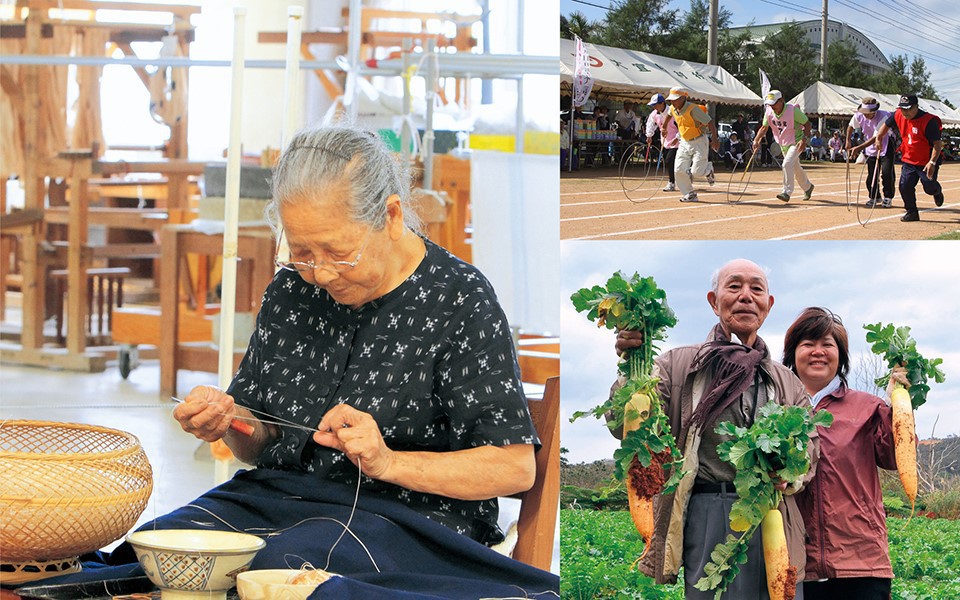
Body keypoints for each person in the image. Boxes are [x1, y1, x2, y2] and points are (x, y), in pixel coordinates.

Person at [32, 126, 559, 599]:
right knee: (160, 553)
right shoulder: (291, 290)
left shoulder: (459, 299)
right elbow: (256, 440)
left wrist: (388, 462)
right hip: (276, 500)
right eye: (303, 252)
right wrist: (229, 420)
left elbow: (513, 468)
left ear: (392, 216)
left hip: (409, 521)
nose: (321, 273)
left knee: (278, 575)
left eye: (337, 252)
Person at [612, 259, 815, 599]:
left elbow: (810, 443)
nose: (746, 296)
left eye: (756, 289)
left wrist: (791, 469)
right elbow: (627, 427)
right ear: (713, 300)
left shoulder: (787, 382)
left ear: (769, 305)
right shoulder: (676, 365)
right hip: (708, 510)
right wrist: (633, 367)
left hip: (771, 513)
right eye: (734, 287)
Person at [782, 307, 903, 600]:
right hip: (793, 564)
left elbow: (895, 458)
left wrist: (899, 403)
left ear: (841, 355)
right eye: (808, 344)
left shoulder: (868, 407)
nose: (818, 352)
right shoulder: (775, 408)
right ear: (792, 353)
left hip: (861, 564)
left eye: (827, 344)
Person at [873, 93, 945, 222]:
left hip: (926, 161)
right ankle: (912, 212)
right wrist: (879, 138)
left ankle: (937, 191)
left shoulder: (929, 121)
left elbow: (937, 144)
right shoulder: (898, 114)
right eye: (903, 108)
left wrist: (932, 162)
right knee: (904, 186)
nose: (905, 112)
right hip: (909, 159)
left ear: (916, 107)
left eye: (908, 109)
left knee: (929, 187)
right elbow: (886, 125)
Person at [753, 90, 814, 202]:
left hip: (796, 142)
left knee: (786, 164)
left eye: (774, 103)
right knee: (795, 168)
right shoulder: (769, 112)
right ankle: (808, 187)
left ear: (781, 101)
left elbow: (807, 124)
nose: (772, 106)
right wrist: (756, 140)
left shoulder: (793, 111)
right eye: (770, 104)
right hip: (783, 143)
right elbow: (764, 128)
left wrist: (804, 139)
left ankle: (786, 192)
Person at [666, 87, 719, 203]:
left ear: (683, 98)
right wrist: (664, 127)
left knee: (697, 172)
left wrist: (714, 140)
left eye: (675, 99)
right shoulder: (673, 108)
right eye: (671, 100)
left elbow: (710, 122)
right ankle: (690, 194)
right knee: (678, 170)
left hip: (699, 141)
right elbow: (669, 115)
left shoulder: (693, 109)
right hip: (684, 142)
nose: (672, 102)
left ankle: (708, 170)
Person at [846, 97, 896, 208]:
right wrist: (848, 141)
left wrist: (858, 148)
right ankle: (874, 196)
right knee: (871, 174)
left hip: (886, 144)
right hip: (870, 147)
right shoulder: (859, 115)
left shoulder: (884, 116)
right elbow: (850, 127)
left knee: (887, 173)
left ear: (874, 111)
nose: (865, 115)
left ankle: (888, 197)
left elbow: (877, 137)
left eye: (868, 113)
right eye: (864, 113)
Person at [646, 92, 680, 192]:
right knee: (668, 162)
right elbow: (650, 124)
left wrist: (677, 137)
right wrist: (649, 135)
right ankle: (674, 181)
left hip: (678, 141)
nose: (654, 107)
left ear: (662, 103)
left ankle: (672, 182)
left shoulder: (673, 112)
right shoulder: (654, 114)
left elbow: (681, 126)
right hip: (665, 141)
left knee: (670, 160)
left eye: (655, 105)